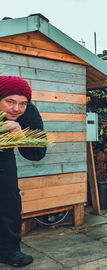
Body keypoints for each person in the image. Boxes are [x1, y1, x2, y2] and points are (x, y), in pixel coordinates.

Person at [0, 76, 47, 267]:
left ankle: (9, 251)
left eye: (22, 103)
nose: (16, 109)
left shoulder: (28, 114)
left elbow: (38, 152)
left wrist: (21, 136)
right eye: (10, 101)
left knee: (10, 198)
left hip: (4, 155)